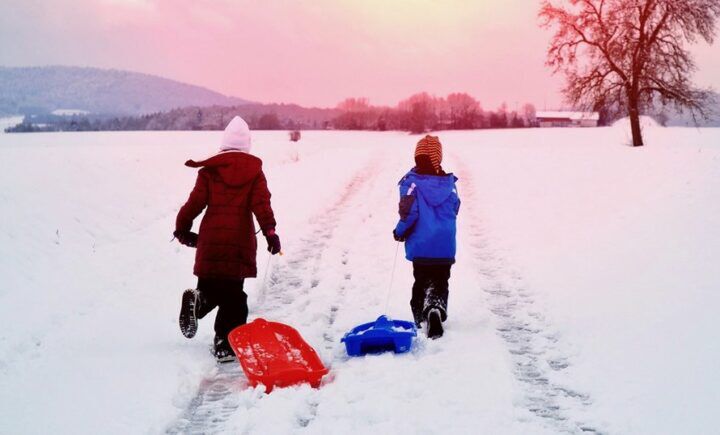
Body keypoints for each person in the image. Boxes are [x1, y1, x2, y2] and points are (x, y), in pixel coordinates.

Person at [174, 116, 281, 362]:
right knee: (233, 297)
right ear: (247, 145)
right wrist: (270, 232)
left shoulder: (210, 171)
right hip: (239, 243)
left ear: (224, 144)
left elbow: (194, 203)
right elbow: (261, 205)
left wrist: (182, 229)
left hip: (210, 241)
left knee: (209, 286)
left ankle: (198, 301)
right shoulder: (254, 172)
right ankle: (225, 344)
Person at [393, 135, 460, 339]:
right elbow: (455, 207)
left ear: (417, 156)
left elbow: (409, 213)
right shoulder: (449, 183)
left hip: (422, 246)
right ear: (437, 158)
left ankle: (420, 316)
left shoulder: (411, 183)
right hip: (444, 244)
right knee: (441, 280)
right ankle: (436, 308)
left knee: (421, 280)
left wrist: (400, 231)